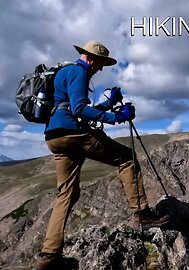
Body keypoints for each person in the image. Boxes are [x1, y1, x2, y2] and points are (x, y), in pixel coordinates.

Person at [35, 40, 169, 270]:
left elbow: (73, 106)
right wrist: (118, 117)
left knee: (66, 193)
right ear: (90, 57)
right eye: (101, 62)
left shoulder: (64, 72)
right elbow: (79, 110)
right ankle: (141, 213)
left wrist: (107, 104)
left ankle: (49, 256)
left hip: (54, 137)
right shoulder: (79, 72)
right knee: (127, 158)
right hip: (73, 133)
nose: (101, 68)